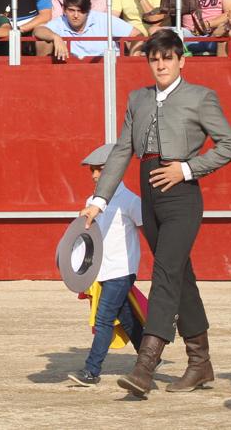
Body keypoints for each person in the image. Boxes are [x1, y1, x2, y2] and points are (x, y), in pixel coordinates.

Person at [81, 28, 231, 398]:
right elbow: (122, 151)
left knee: (166, 274)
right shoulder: (138, 99)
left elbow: (230, 145)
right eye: (154, 59)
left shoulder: (200, 97)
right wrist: (99, 199)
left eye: (167, 58)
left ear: (181, 60)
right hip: (151, 199)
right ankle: (200, 363)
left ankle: (145, 366)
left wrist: (186, 168)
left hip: (182, 196)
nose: (160, 65)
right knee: (179, 277)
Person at [67, 142, 144, 387]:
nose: (94, 175)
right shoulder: (92, 200)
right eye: (92, 170)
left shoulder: (130, 201)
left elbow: (147, 228)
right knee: (127, 318)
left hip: (121, 270)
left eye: (99, 169)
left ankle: (91, 371)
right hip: (100, 269)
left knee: (103, 319)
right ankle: (149, 358)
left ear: (114, 170)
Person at [35, 0, 133, 61]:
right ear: (64, 10)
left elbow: (136, 34)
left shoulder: (104, 19)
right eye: (71, 10)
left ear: (88, 11)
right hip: (73, 73)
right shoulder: (60, 22)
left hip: (108, 69)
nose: (76, 15)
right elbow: (38, 30)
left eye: (81, 11)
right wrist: (55, 37)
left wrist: (135, 57)